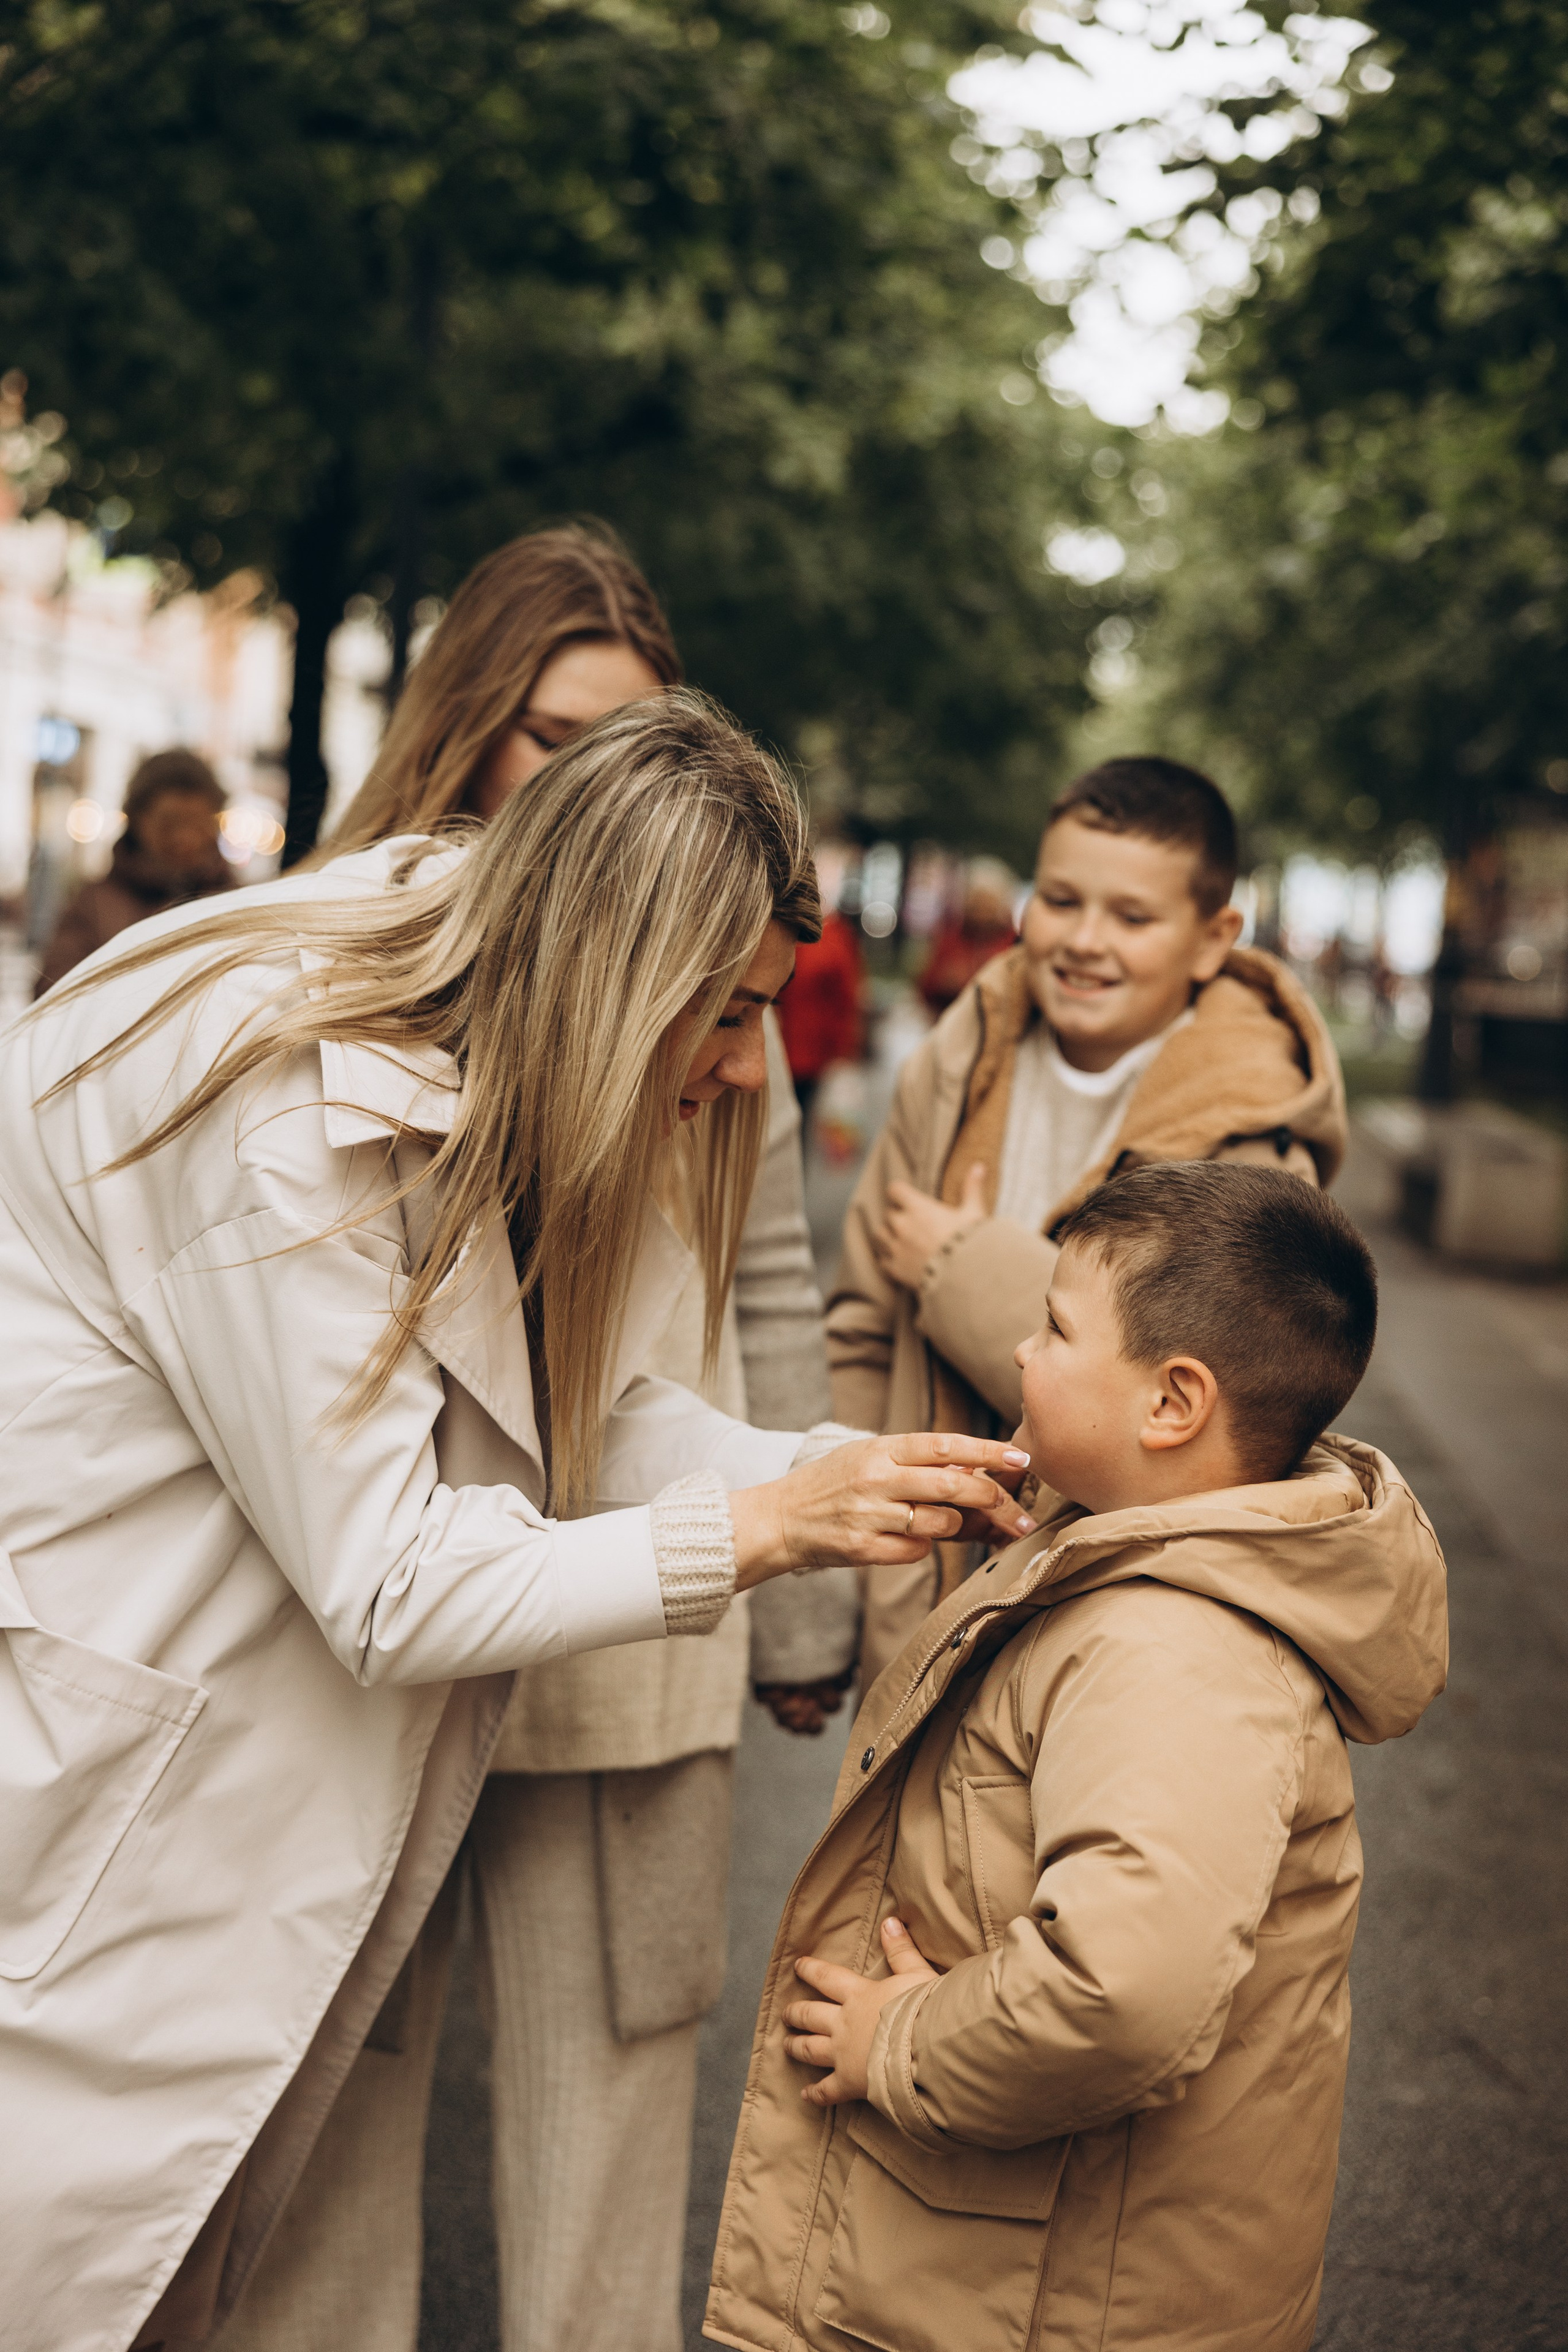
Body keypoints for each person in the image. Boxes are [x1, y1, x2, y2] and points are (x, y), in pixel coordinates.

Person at [0, 692, 1038, 2352]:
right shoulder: (280, 1097)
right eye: (726, 1019)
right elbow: (393, 1583)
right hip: (121, 1746)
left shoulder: (486, 1010)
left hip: (221, 1746)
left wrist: (831, 1475)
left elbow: (589, 1410)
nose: (736, 1072)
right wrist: (764, 1529)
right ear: (629, 967)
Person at [245, 524, 851, 2352]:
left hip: (635, 1646)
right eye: (557, 734)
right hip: (383, 1632)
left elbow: (763, 1274)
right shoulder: (340, 970)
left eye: (631, 738)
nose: (592, 786)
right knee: (334, 2124)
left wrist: (808, 1596)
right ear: (465, 728)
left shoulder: (713, 995)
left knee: (609, 2124)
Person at [704, 1161, 1449, 2352]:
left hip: (1069, 2297)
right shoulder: (1123, 1555)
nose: (1018, 1355)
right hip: (1024, 2265)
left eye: (1052, 1328)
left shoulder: (1173, 1650)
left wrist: (893, 2042)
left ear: (1171, 1405)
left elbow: (1121, 1991)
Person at [827, 755, 1349, 1685]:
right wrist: (826, 1596)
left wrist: (962, 1264)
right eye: (1060, 900)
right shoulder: (954, 1065)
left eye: (1134, 917)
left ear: (1212, 936)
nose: (1085, 940)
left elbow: (1194, 1419)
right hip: (917, 1602)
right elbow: (863, 1333)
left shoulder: (1256, 1143)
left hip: (1107, 1628)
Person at [34, 747, 233, 995]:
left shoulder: (236, 901)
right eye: (169, 823)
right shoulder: (93, 906)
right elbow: (52, 993)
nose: (185, 838)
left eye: (197, 823)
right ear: (139, 821)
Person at [774, 904, 864, 1122]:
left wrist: (845, 1051)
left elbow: (847, 1000)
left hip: (811, 1053)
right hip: (780, 1045)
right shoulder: (783, 929)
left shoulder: (834, 937)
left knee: (799, 1117)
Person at [913, 867, 1017, 1018]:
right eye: (977, 902)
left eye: (987, 903)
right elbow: (925, 985)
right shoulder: (950, 937)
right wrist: (943, 982)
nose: (981, 910)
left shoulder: (1013, 943)